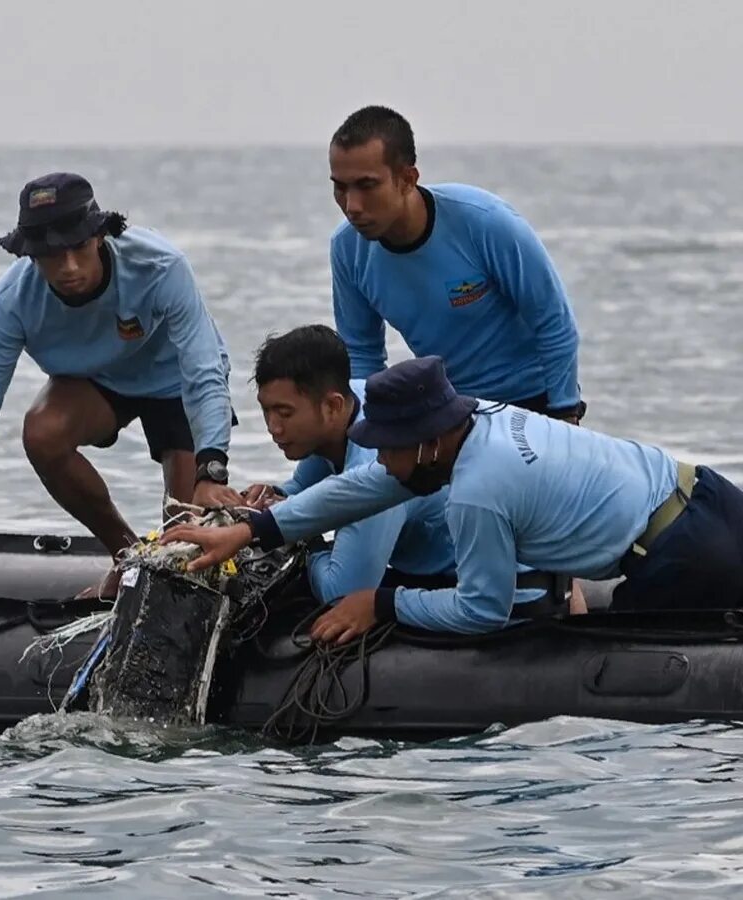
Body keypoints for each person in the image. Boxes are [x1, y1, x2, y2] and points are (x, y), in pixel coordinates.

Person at [161, 356, 743, 640]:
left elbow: (482, 610)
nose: (381, 459)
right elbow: (369, 485)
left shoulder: (478, 494)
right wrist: (251, 531)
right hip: (708, 490)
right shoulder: (479, 418)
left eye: (388, 446)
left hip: (681, 555)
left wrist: (382, 603)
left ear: (428, 441)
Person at [0, 172, 241, 600]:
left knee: (181, 543)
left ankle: (164, 556)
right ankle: (126, 556)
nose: (67, 268)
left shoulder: (160, 266)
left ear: (99, 237)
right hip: (99, 381)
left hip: (176, 378)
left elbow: (204, 371)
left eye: (78, 249)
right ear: (29, 254)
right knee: (42, 432)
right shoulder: (12, 301)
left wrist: (211, 471)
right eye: (49, 255)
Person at [329, 105, 584, 422]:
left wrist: (565, 416)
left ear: (408, 179)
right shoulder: (346, 248)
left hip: (536, 403)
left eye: (366, 186)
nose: (352, 206)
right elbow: (361, 354)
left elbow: (554, 322)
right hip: (452, 411)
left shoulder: (485, 222)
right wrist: (368, 437)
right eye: (340, 187)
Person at [241, 324, 454, 602]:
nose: (273, 428)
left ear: (333, 406)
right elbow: (301, 490)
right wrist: (272, 496)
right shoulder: (348, 400)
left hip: (457, 581)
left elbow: (341, 593)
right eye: (266, 410)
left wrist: (304, 537)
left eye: (284, 413)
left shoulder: (379, 460)